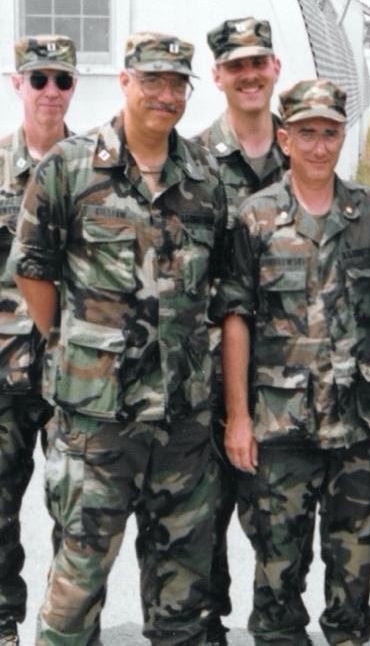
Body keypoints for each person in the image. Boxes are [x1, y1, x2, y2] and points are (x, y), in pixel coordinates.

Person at [12, 33, 227, 646]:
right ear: (126, 82)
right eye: (152, 80)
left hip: (182, 424)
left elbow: (218, 287)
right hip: (96, 423)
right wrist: (78, 344)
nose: (165, 95)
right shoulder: (70, 168)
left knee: (183, 598)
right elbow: (34, 269)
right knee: (77, 588)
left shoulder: (205, 177)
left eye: (177, 83)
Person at [220, 78, 370, 645]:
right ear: (284, 137)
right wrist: (239, 417)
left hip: (356, 426)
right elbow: (236, 318)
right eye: (306, 133)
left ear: (343, 136)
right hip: (280, 428)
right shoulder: (256, 217)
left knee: (354, 578)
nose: (319, 146)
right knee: (277, 578)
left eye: (330, 133)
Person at [191, 15, 287, 644]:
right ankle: (210, 626)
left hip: (286, 373)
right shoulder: (194, 161)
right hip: (204, 377)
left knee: (278, 524)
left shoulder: (304, 148)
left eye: (260, 62)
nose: (250, 75)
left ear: (274, 68)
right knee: (202, 521)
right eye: (237, 66)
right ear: (219, 76)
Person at [0, 36, 78, 644]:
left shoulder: (93, 168)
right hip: (1, 375)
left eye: (62, 80)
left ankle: (71, 628)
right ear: (16, 84)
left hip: (72, 375)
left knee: (75, 515)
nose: (50, 92)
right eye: (39, 79)